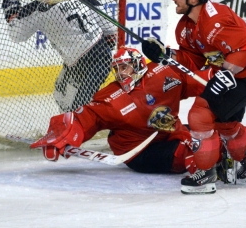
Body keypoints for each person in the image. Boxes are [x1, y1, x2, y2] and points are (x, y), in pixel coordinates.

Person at [141, 0, 246, 193]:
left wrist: (226, 74)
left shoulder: (215, 20)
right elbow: (194, 60)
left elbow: (245, 49)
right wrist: (166, 54)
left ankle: (205, 176)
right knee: (224, 123)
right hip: (232, 75)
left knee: (199, 115)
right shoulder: (185, 27)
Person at [31, 47, 216, 191]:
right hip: (140, 152)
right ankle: (203, 174)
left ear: (137, 64)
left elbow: (194, 81)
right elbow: (85, 118)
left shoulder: (163, 73)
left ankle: (230, 158)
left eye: (124, 67)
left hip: (166, 134)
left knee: (208, 133)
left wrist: (219, 77)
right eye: (117, 69)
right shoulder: (111, 97)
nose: (120, 74)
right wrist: (61, 135)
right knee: (190, 149)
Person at [2, 0, 116, 112]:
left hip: (84, 63)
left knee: (76, 107)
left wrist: (11, 12)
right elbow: (111, 29)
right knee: (62, 94)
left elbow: (17, 35)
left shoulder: (37, 8)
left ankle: (77, 129)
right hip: (98, 57)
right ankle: (70, 127)